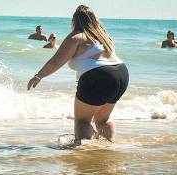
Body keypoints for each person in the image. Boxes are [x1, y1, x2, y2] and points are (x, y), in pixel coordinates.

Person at [27, 5, 129, 146]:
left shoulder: (77, 36)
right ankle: (109, 146)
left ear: (74, 21)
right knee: (103, 120)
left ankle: (83, 155)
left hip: (98, 76)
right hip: (121, 74)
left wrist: (38, 76)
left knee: (82, 121)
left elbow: (56, 61)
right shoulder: (104, 36)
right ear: (94, 20)